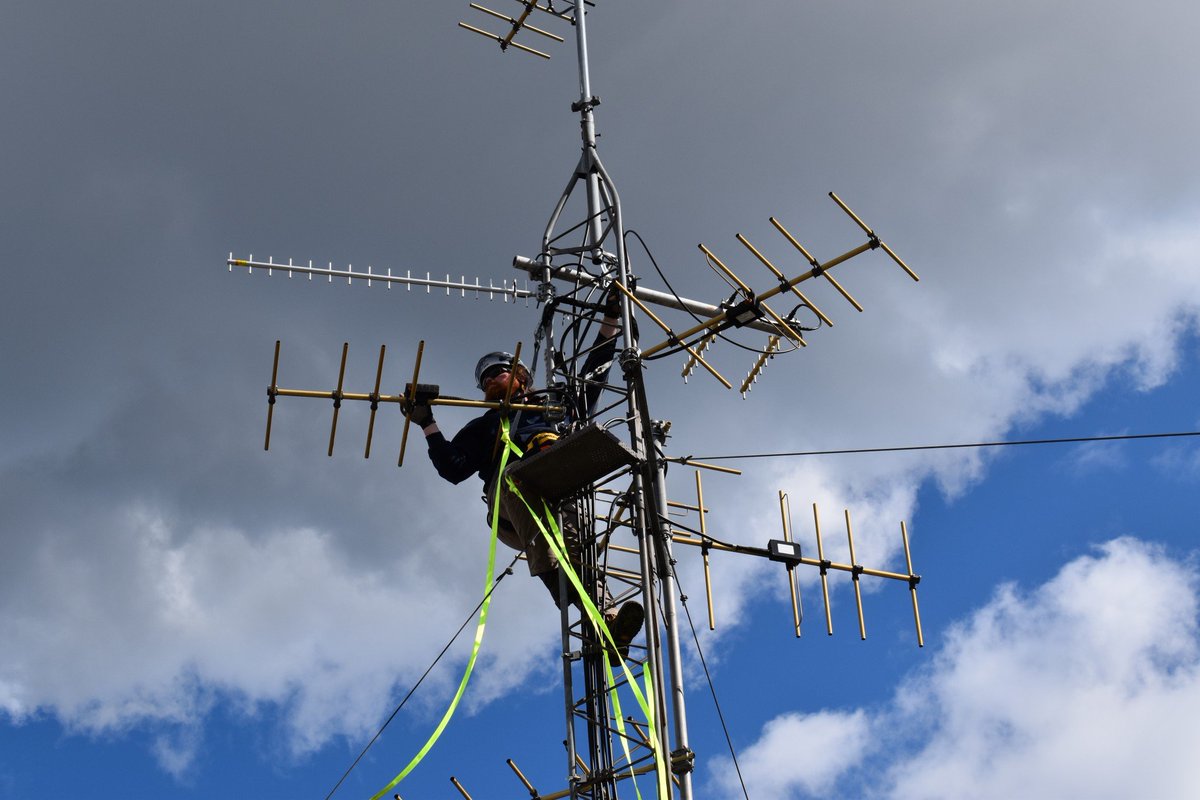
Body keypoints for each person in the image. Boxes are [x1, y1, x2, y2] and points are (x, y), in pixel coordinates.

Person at [403, 290, 644, 662]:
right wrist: (427, 422)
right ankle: (574, 600)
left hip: (558, 489)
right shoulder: (483, 428)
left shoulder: (554, 406)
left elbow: (594, 374)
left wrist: (610, 320)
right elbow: (453, 469)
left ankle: (607, 626)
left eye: (500, 372)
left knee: (576, 555)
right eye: (486, 379)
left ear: (522, 379)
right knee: (521, 489)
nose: (492, 380)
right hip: (511, 504)